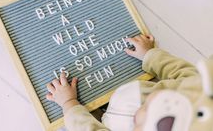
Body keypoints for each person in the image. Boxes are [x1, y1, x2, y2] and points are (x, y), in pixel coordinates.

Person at [46, 34, 207, 131]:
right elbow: (184, 72)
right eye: (154, 102)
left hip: (105, 122)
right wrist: (150, 55)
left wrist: (69, 103)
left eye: (142, 124)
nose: (141, 112)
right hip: (128, 88)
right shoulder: (195, 91)